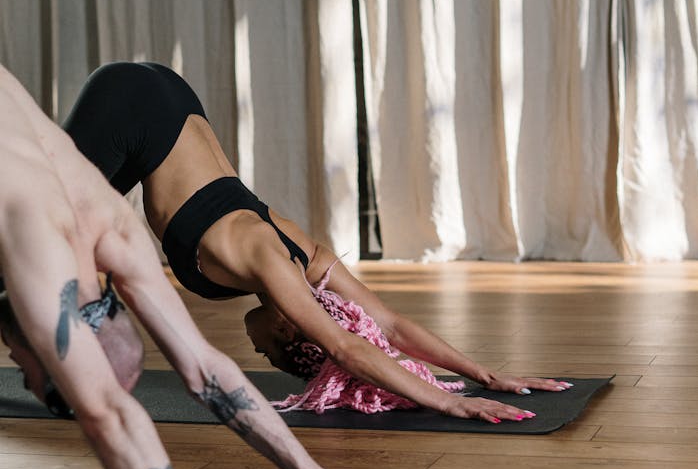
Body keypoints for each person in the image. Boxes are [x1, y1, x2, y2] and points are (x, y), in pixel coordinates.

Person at [0, 62, 431, 469]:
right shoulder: (82, 230)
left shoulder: (78, 227)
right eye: (31, 376)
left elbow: (206, 368)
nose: (13, 364)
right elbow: (107, 411)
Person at [64, 62, 572, 422]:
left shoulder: (309, 258)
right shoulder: (275, 262)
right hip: (134, 102)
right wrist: (450, 400)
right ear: (290, 332)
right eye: (270, 356)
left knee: (61, 228)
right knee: (36, 224)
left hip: (166, 106)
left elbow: (388, 326)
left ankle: (52, 356)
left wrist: (481, 373)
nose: (257, 351)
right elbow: (350, 345)